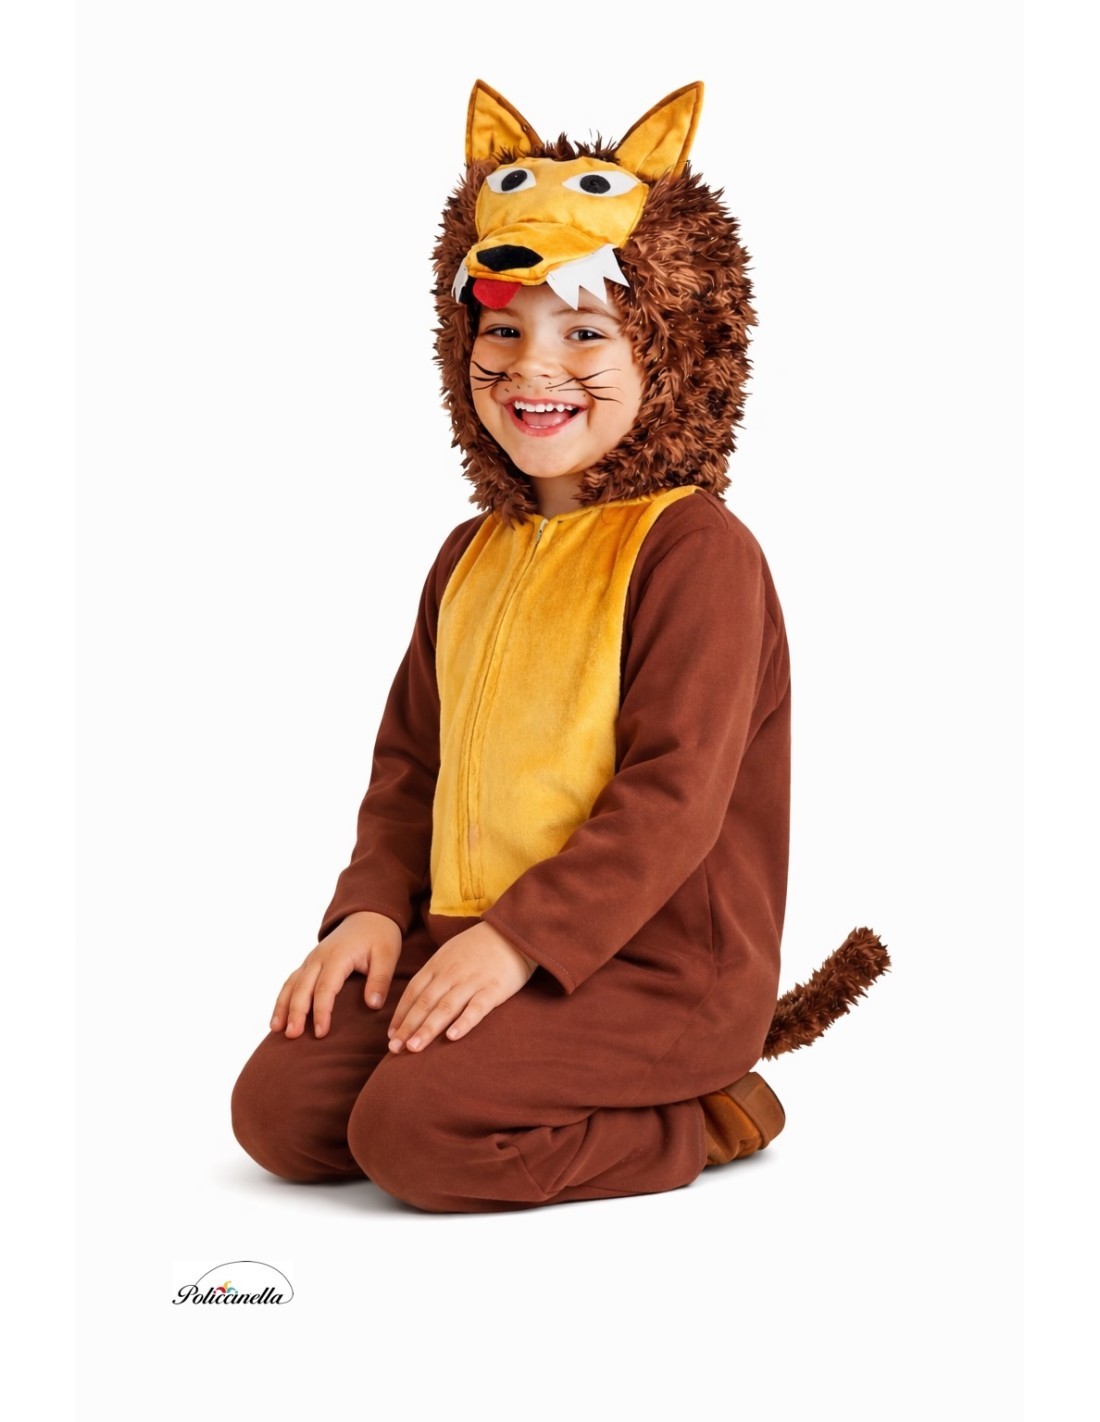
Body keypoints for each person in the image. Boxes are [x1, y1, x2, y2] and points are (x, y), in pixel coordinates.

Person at [230, 81, 808, 1212]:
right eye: (502, 330)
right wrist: (369, 909)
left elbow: (674, 797)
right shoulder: (468, 554)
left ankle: (696, 1114)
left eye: (585, 332)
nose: (532, 370)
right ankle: (499, 1048)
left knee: (415, 1136)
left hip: (650, 966)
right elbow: (412, 763)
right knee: (282, 1118)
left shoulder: (695, 551)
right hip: (463, 929)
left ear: (672, 352)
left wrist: (520, 942)